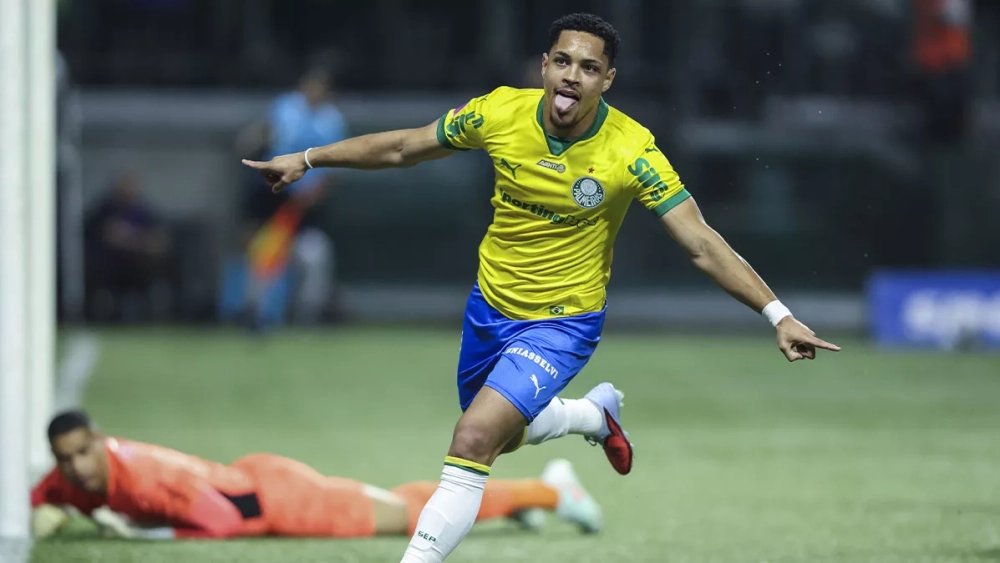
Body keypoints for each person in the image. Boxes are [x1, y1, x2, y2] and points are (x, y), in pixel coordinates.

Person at [242, 13, 841, 562]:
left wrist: (776, 314)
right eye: (562, 61)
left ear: (607, 79)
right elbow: (405, 146)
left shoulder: (632, 150)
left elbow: (701, 243)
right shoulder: (501, 112)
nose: (571, 77)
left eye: (588, 67)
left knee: (473, 436)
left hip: (563, 322)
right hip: (489, 308)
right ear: (545, 65)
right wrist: (310, 157)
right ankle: (591, 416)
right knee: (497, 437)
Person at [30, 410, 601, 540]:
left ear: (102, 444)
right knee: (403, 503)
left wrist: (142, 533)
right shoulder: (71, 477)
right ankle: (526, 499)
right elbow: (42, 494)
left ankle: (551, 490)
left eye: (84, 453)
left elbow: (224, 521)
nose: (75, 468)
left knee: (409, 514)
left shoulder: (144, 479)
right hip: (258, 480)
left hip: (278, 501)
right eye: (66, 459)